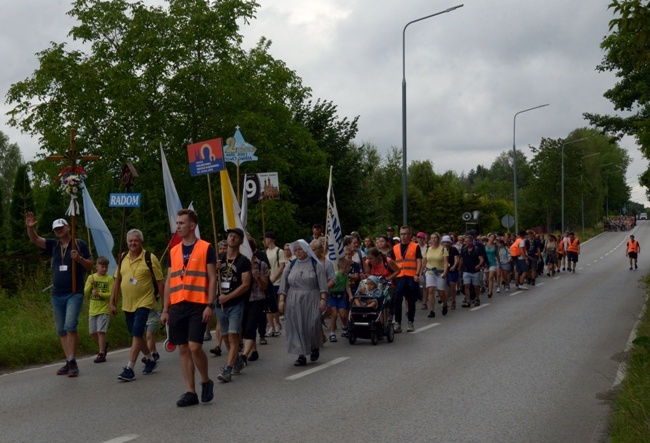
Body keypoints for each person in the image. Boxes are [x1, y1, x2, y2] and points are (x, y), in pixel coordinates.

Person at [161, 209, 217, 407]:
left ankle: (205, 380)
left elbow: (212, 278)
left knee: (195, 346)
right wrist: (165, 308)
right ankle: (190, 391)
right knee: (183, 348)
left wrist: (210, 304)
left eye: (182, 223)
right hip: (177, 304)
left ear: (192, 226)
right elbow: (169, 281)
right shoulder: (174, 250)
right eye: (177, 223)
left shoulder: (205, 247)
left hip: (198, 304)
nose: (178, 226)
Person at [26, 213, 93, 377]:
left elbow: (91, 266)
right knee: (61, 330)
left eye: (61, 227)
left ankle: (72, 361)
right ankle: (69, 361)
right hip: (57, 294)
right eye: (56, 229)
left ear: (68, 227)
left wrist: (79, 258)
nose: (58, 230)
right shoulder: (53, 245)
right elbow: (35, 240)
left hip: (74, 293)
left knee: (70, 326)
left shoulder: (79, 243)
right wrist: (30, 228)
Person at [110, 229, 164, 381]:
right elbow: (116, 280)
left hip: (145, 302)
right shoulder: (122, 257)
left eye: (136, 240)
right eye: (130, 241)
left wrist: (166, 306)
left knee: (136, 333)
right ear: (127, 243)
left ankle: (129, 368)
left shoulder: (150, 258)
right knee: (137, 335)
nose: (133, 243)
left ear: (141, 242)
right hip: (128, 304)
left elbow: (160, 282)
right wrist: (112, 302)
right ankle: (150, 359)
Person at [278, 240, 329, 366]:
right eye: (295, 250)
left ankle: (314, 346)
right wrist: (282, 300)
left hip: (311, 297)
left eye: (300, 249)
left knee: (312, 324)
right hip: (293, 299)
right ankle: (301, 354)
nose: (298, 252)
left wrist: (323, 299)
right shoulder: (291, 264)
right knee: (297, 326)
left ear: (307, 250)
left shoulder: (315, 264)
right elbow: (284, 283)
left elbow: (322, 284)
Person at [215, 228, 252, 383]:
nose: (232, 239)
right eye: (230, 236)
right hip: (220, 304)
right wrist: (212, 268)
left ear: (241, 241)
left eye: (236, 237)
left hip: (235, 304)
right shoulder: (220, 258)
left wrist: (228, 297)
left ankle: (228, 369)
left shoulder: (244, 261)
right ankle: (236, 360)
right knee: (225, 337)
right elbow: (209, 278)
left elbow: (245, 285)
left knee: (232, 335)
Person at [390, 226, 423, 332]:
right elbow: (392, 263)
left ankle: (410, 322)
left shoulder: (415, 246)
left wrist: (417, 273)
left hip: (411, 276)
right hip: (399, 277)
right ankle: (398, 323)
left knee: (411, 300)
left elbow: (419, 261)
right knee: (397, 300)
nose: (403, 236)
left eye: (405, 234)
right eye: (401, 234)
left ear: (409, 235)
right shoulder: (395, 248)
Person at [242, 239, 269, 363]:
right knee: (245, 327)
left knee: (251, 326)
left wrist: (258, 277)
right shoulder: (241, 264)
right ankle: (254, 351)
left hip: (257, 299)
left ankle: (243, 356)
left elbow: (264, 286)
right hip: (243, 299)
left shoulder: (261, 264)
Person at [84, 256, 113, 363]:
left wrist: (100, 294)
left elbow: (111, 294)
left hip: (104, 309)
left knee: (101, 331)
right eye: (102, 267)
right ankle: (104, 344)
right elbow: (85, 293)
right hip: (93, 309)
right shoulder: (91, 278)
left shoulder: (109, 279)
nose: (104, 269)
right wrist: (90, 286)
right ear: (97, 267)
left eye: (106, 267)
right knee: (92, 332)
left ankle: (101, 353)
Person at [264, 231, 285, 339]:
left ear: (270, 239)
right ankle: (271, 326)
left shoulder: (279, 251)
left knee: (274, 305)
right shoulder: (265, 252)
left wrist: (273, 278)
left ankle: (277, 324)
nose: (264, 241)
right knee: (268, 306)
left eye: (265, 239)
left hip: (276, 282)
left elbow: (282, 266)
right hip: (267, 282)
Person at [328, 257, 354, 342]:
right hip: (333, 297)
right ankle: (332, 333)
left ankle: (345, 327)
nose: (350, 268)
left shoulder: (345, 276)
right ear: (345, 266)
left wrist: (350, 295)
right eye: (349, 266)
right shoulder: (335, 275)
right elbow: (330, 284)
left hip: (341, 297)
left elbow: (347, 287)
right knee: (334, 314)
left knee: (343, 315)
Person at [425, 233, 448, 317]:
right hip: (430, 272)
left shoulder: (443, 249)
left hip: (439, 272)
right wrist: (421, 271)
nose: (433, 239)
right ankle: (432, 311)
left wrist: (445, 272)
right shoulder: (428, 249)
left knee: (441, 292)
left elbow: (445, 262)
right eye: (432, 238)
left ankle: (444, 304)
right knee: (430, 290)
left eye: (435, 238)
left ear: (438, 239)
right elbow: (425, 261)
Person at [459, 235, 484, 307]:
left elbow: (481, 258)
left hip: (475, 271)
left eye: (467, 241)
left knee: (476, 286)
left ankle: (477, 298)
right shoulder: (464, 249)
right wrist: (459, 268)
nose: (465, 242)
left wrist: (479, 265)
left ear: (471, 241)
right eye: (465, 241)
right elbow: (461, 259)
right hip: (466, 270)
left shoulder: (476, 249)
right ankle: (468, 301)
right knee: (466, 285)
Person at [442, 236, 460, 308]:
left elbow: (456, 259)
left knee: (452, 287)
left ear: (450, 243)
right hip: (444, 270)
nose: (446, 244)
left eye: (447, 242)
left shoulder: (454, 249)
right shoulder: (441, 250)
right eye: (444, 242)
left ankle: (453, 301)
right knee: (446, 287)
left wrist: (454, 266)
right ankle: (445, 302)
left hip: (452, 270)